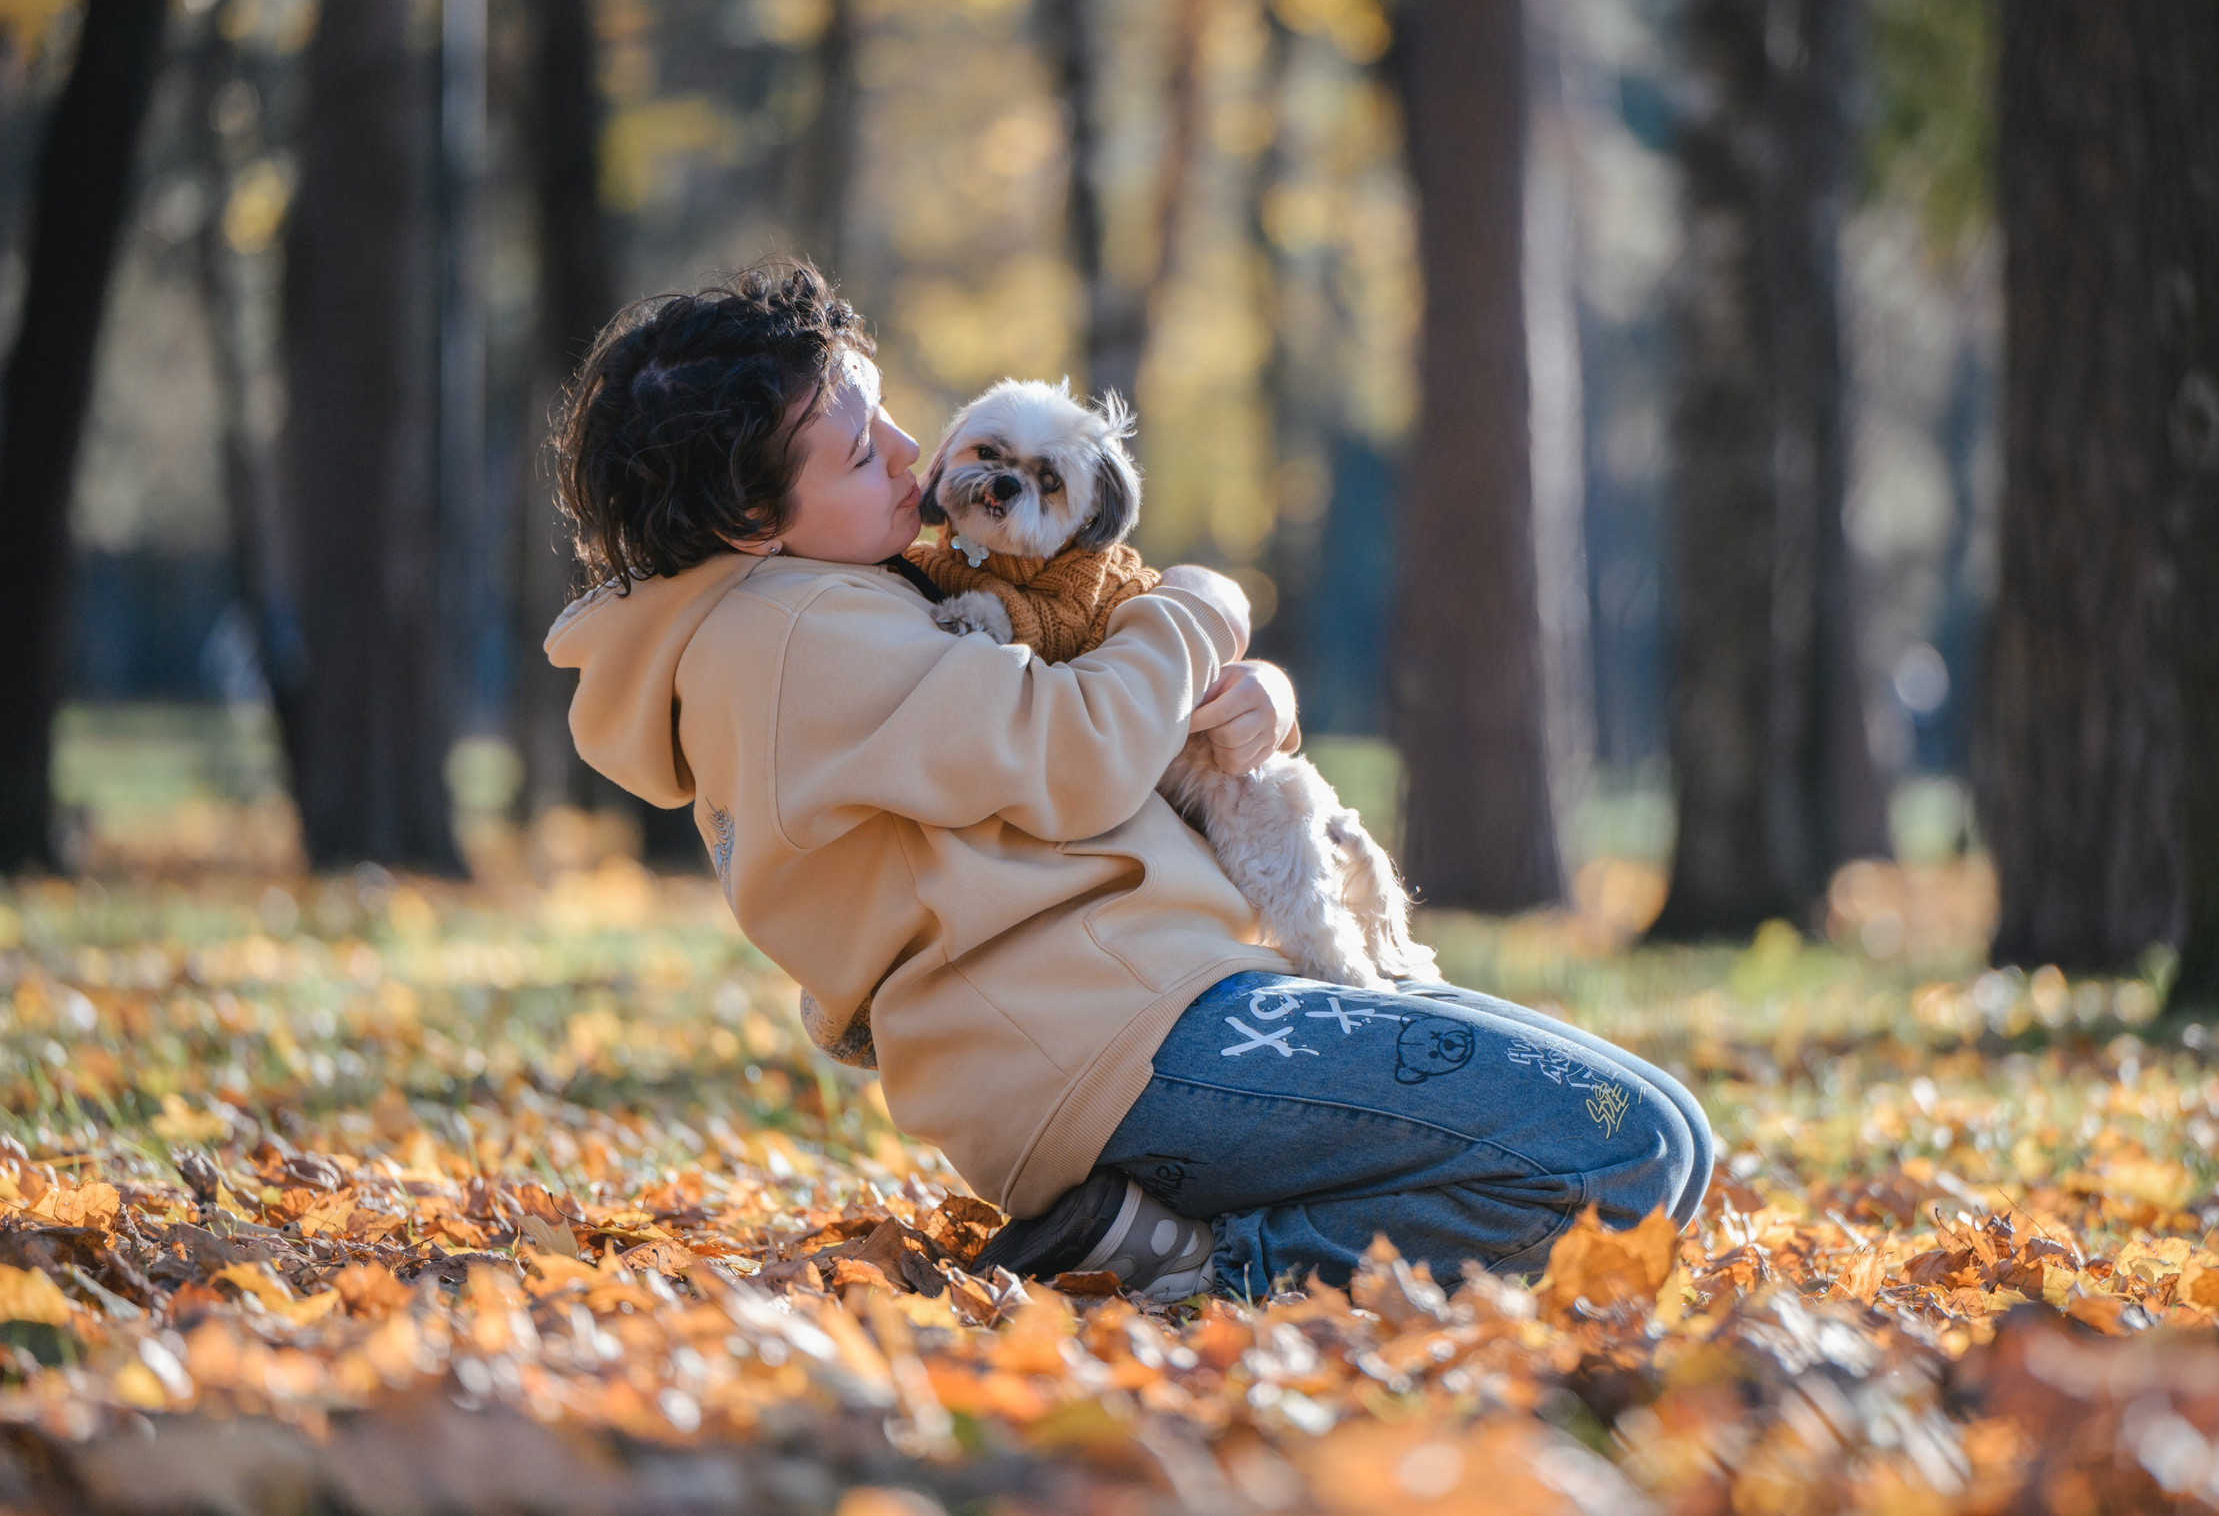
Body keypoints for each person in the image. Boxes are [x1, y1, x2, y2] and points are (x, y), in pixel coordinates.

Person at [545, 263, 1712, 1301]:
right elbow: (1083, 754)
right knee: (1625, 1150)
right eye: (859, 451)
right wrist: (1201, 607)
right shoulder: (788, 634)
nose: (908, 451)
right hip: (1109, 1049)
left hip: (1165, 1000)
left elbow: (1085, 688)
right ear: (750, 517)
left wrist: (1252, 699)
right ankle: (1200, 1266)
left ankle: (1153, 1234)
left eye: (887, 412)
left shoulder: (849, 585)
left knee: (1673, 1135)